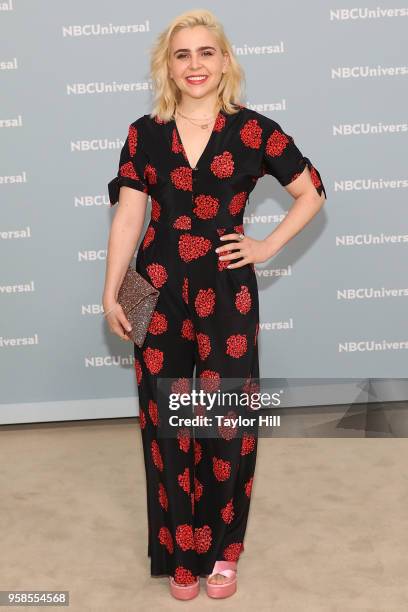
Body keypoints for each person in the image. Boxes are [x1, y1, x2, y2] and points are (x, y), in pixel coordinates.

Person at [102, 8, 326, 601]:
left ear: (224, 61)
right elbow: (129, 213)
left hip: (226, 287)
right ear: (167, 67)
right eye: (182, 55)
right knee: (166, 424)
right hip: (150, 285)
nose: (194, 64)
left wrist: (266, 245)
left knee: (226, 421)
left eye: (206, 52)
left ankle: (223, 551)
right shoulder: (143, 132)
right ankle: (179, 551)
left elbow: (311, 191)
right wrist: (110, 289)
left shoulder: (253, 130)